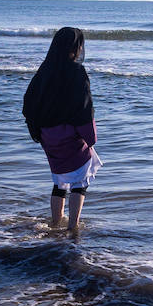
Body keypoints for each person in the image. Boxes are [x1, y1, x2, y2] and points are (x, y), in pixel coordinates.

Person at [22, 27, 102, 231]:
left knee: (59, 180)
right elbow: (84, 108)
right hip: (70, 136)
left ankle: (55, 222)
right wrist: (91, 139)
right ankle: (72, 226)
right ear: (75, 47)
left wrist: (37, 133)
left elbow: (28, 102)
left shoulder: (45, 69)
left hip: (48, 137)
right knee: (80, 181)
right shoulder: (76, 72)